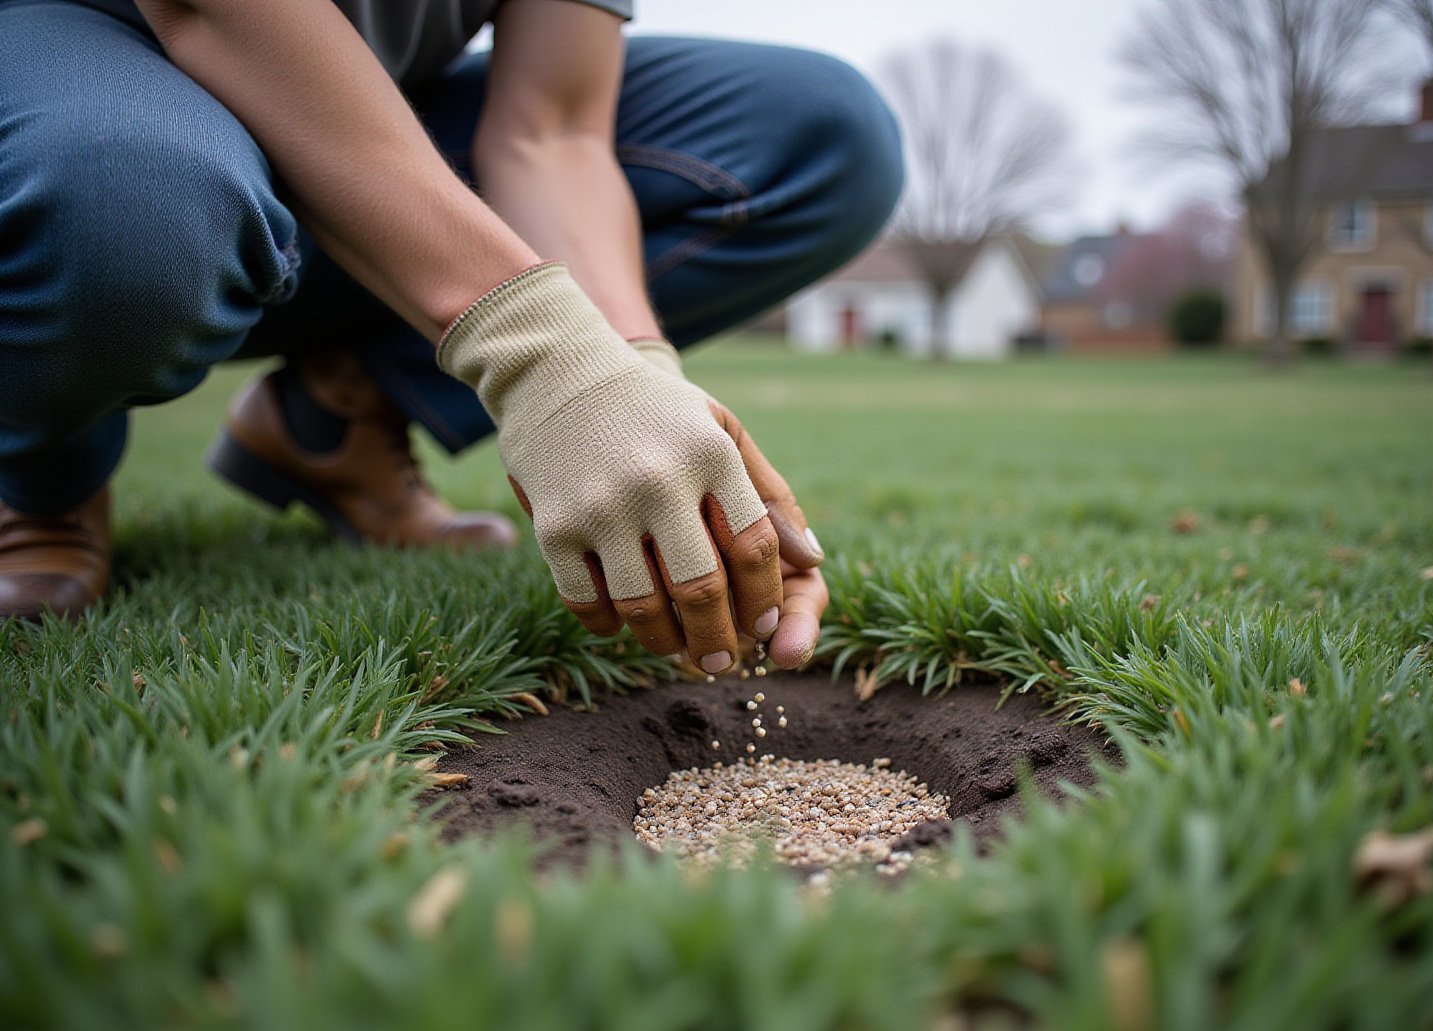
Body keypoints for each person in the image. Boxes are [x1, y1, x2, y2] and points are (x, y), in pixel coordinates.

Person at [0, 0, 903, 673]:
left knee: (825, 133)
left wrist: (627, 379)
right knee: (121, 203)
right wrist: (536, 349)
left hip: (368, 156)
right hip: (94, 81)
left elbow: (550, 132)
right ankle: (44, 468)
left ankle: (336, 414)